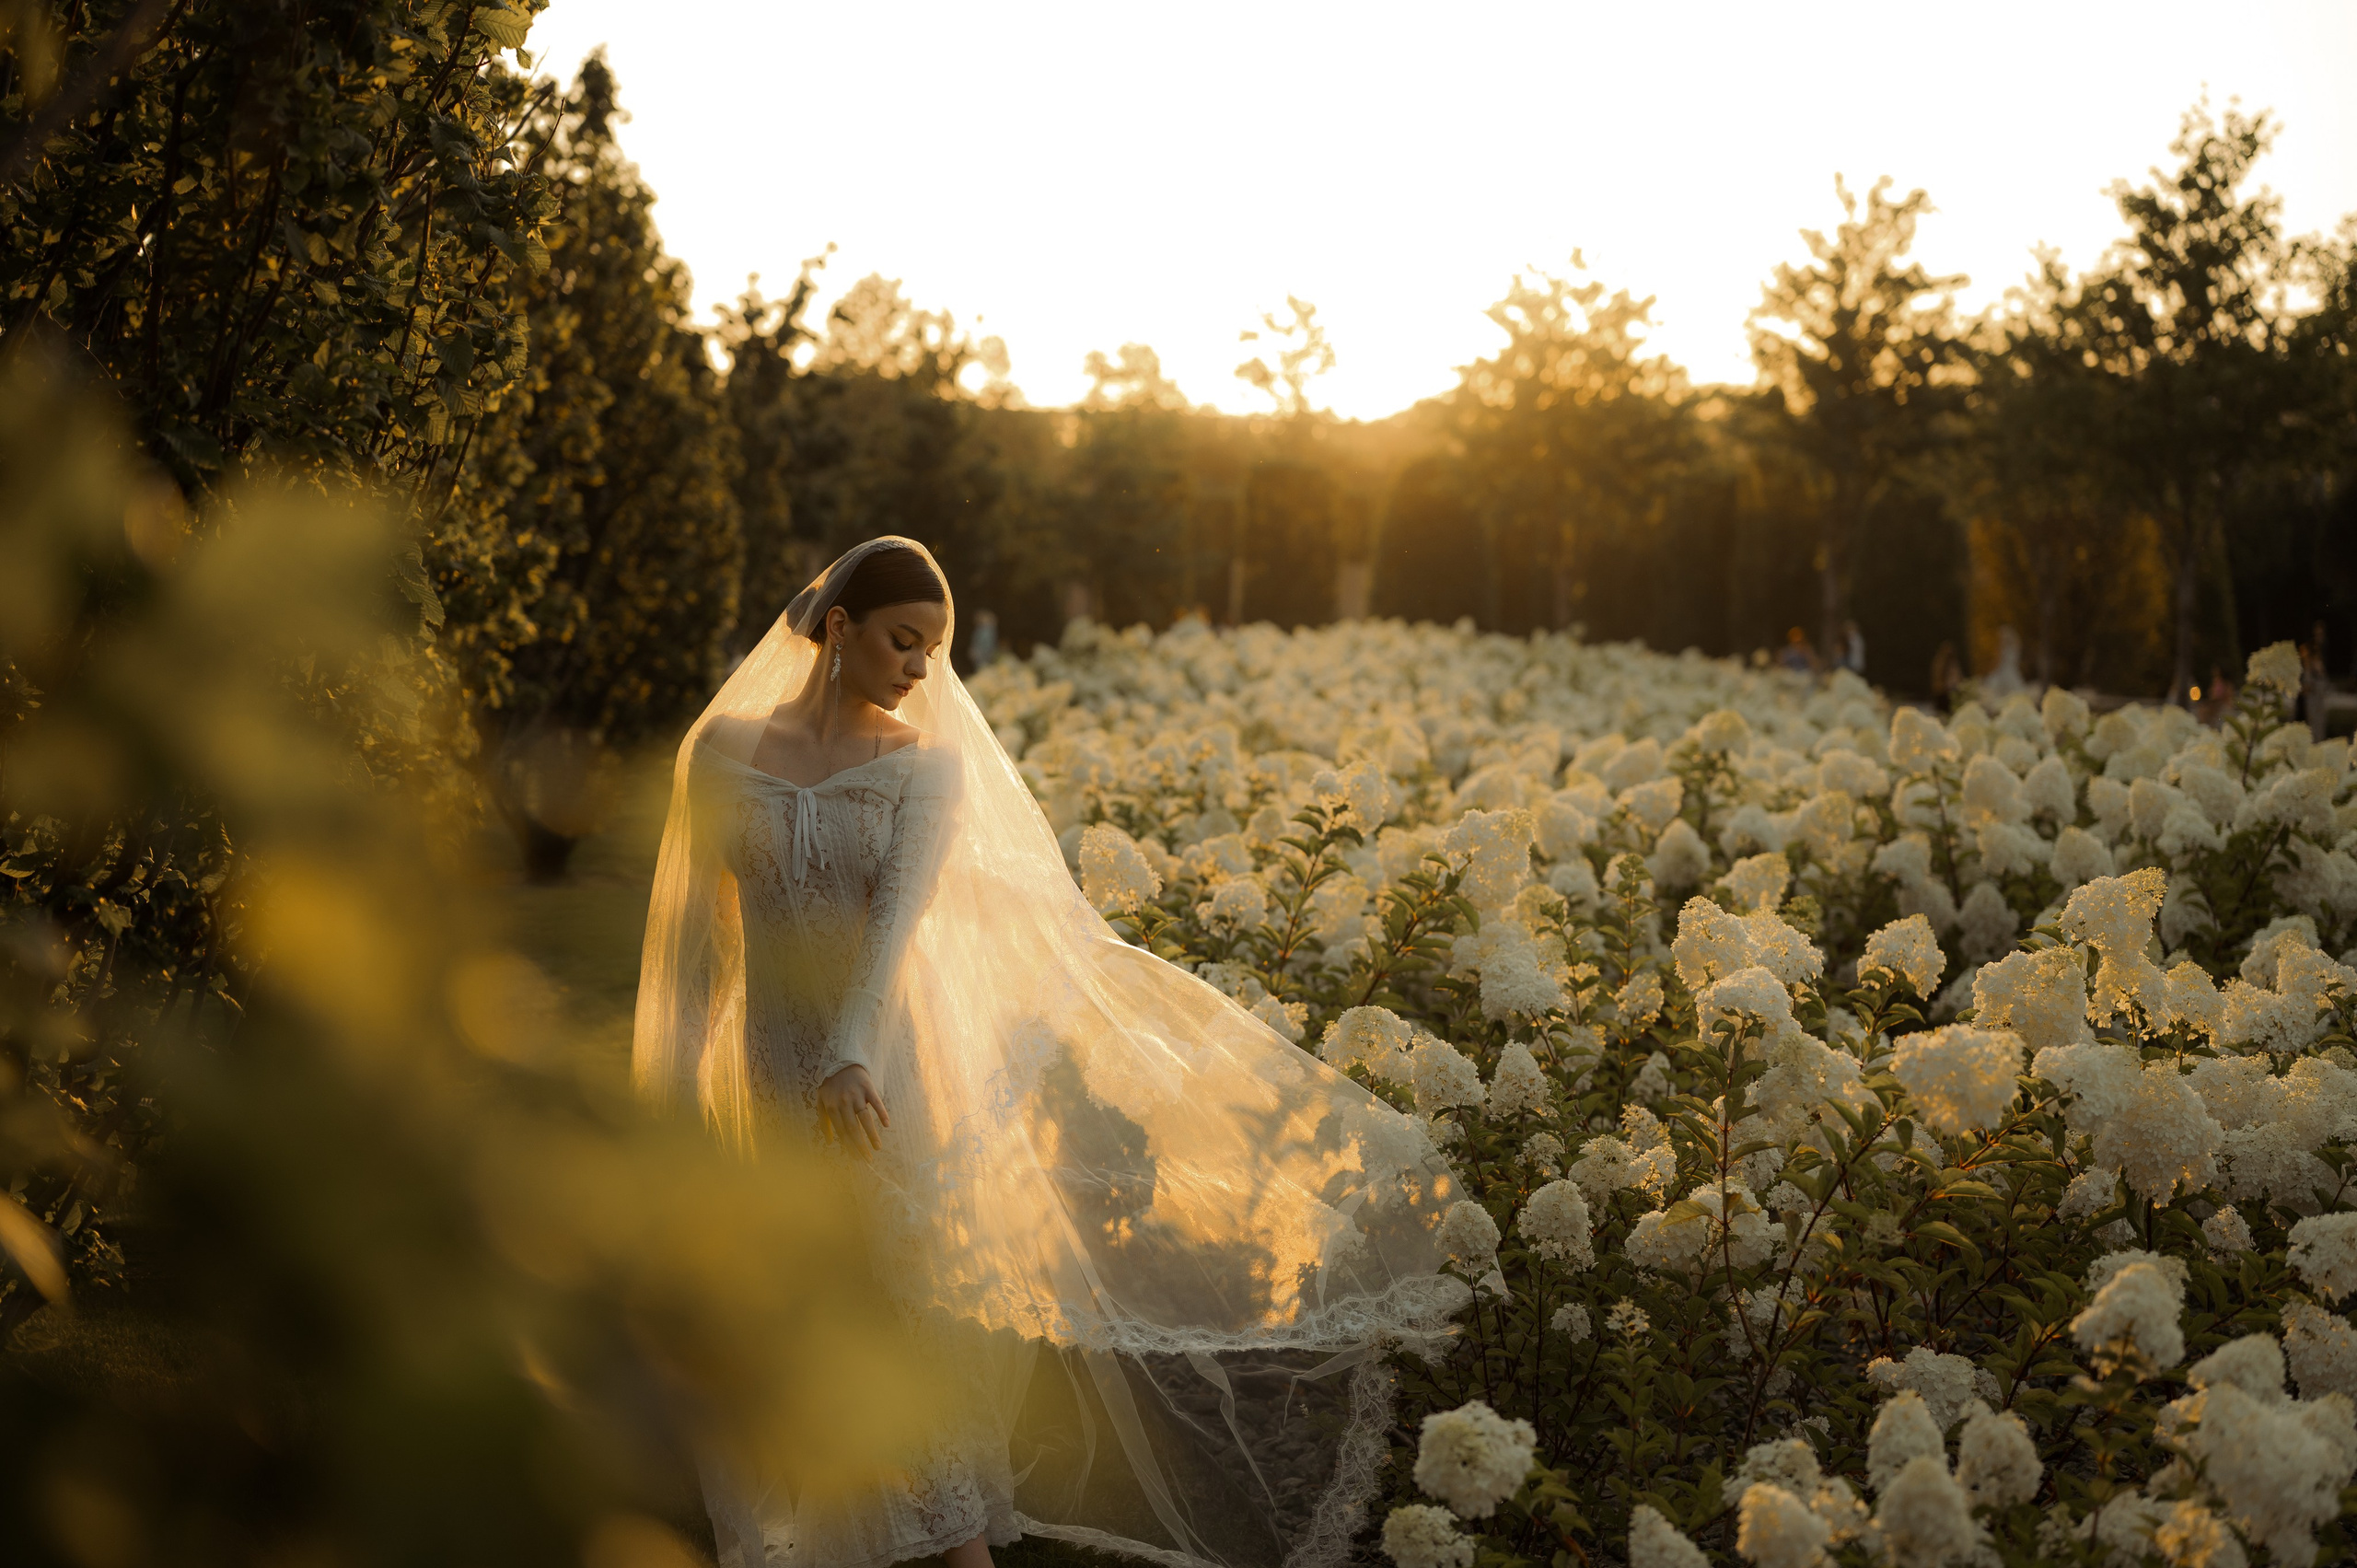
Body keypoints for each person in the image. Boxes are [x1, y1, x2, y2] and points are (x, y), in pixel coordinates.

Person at [634, 538, 1466, 1568]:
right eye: (904, 639)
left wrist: (849, 1056)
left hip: (880, 1089)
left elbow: (892, 932)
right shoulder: (721, 751)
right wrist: (669, 1103)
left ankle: (954, 1549)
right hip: (765, 1083)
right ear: (837, 628)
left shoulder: (920, 766)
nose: (920, 668)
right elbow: (695, 945)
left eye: (934, 649)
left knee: (901, 1355)